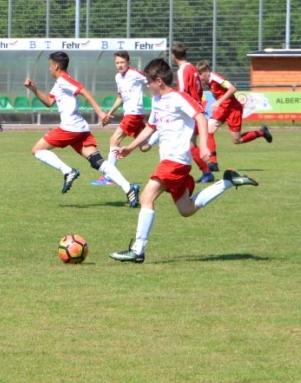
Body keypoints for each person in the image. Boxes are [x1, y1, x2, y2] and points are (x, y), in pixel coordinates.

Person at [109, 58, 259, 263]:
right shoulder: (157, 100)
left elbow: (200, 117)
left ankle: (138, 250)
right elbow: (151, 127)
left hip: (176, 160)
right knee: (186, 209)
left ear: (159, 81)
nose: (148, 86)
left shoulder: (179, 98)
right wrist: (130, 147)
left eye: (149, 82)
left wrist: (204, 145)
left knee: (146, 197)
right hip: (171, 161)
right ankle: (227, 181)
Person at [24, 51, 140, 207]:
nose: (49, 69)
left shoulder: (64, 80)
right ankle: (129, 188)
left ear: (56, 66)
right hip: (79, 128)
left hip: (70, 127)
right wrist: (34, 89)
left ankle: (67, 171)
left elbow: (84, 91)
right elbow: (49, 102)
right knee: (97, 162)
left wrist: (99, 112)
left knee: (36, 150)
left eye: (50, 66)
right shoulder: (60, 82)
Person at [95, 51, 151, 186]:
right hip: (131, 114)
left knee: (114, 139)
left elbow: (151, 81)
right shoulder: (118, 77)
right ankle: (159, 132)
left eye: (122, 62)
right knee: (144, 146)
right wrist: (109, 113)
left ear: (128, 63)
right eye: (117, 63)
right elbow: (120, 97)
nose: (120, 65)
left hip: (134, 113)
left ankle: (110, 177)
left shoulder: (135, 73)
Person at [195, 60, 272, 154]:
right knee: (208, 130)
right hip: (222, 109)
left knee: (237, 140)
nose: (199, 77)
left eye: (201, 74)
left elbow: (232, 89)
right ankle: (213, 161)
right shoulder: (208, 82)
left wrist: (218, 101)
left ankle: (262, 132)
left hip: (233, 109)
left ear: (207, 71)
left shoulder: (216, 78)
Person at [170, 41, 216, 182]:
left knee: (188, 145)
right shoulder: (193, 68)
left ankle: (206, 172)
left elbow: (182, 93)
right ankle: (202, 172)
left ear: (173, 56)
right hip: (197, 108)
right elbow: (199, 89)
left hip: (190, 112)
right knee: (189, 144)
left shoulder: (182, 70)